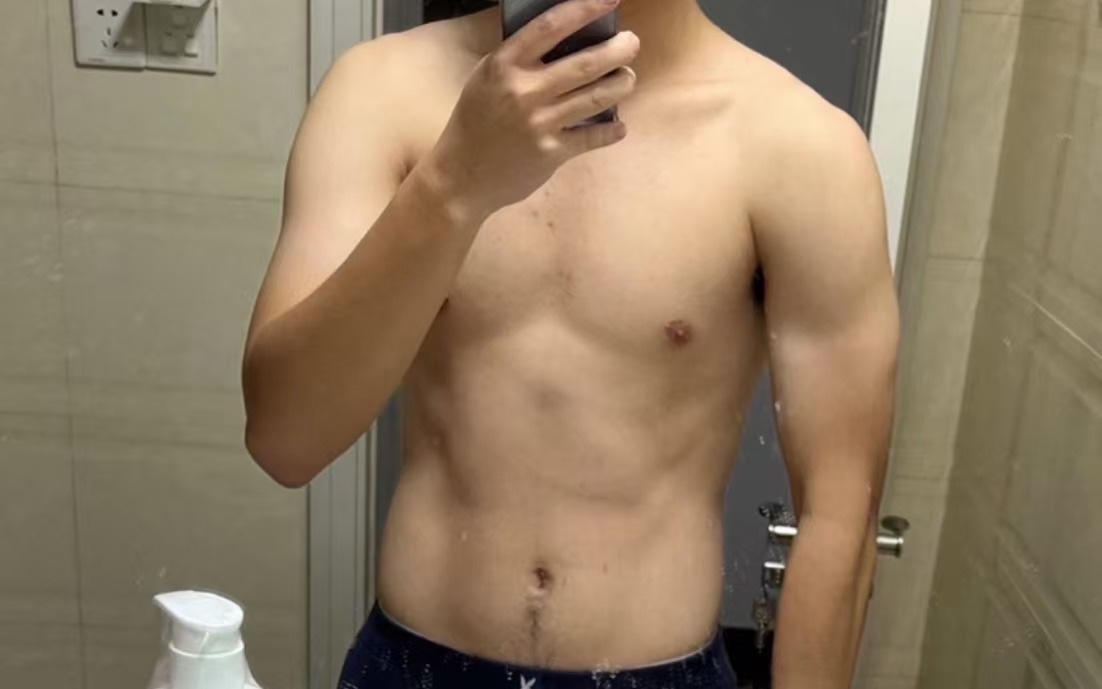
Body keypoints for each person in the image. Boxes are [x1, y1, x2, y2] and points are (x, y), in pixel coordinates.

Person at [242, 0, 899, 686]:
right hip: (414, 664)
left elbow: (840, 512)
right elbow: (285, 440)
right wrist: (455, 182)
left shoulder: (799, 145)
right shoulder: (382, 91)